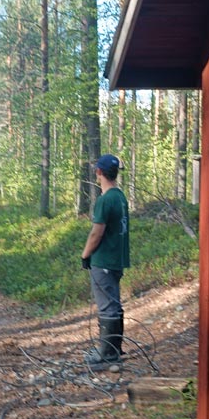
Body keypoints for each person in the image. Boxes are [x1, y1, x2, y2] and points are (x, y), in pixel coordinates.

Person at [81, 154, 130, 364]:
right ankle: (114, 349)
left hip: (104, 261)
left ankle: (108, 354)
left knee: (107, 306)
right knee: (114, 303)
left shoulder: (105, 199)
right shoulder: (120, 196)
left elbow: (96, 233)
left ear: (99, 172)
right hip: (117, 259)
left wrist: (85, 255)